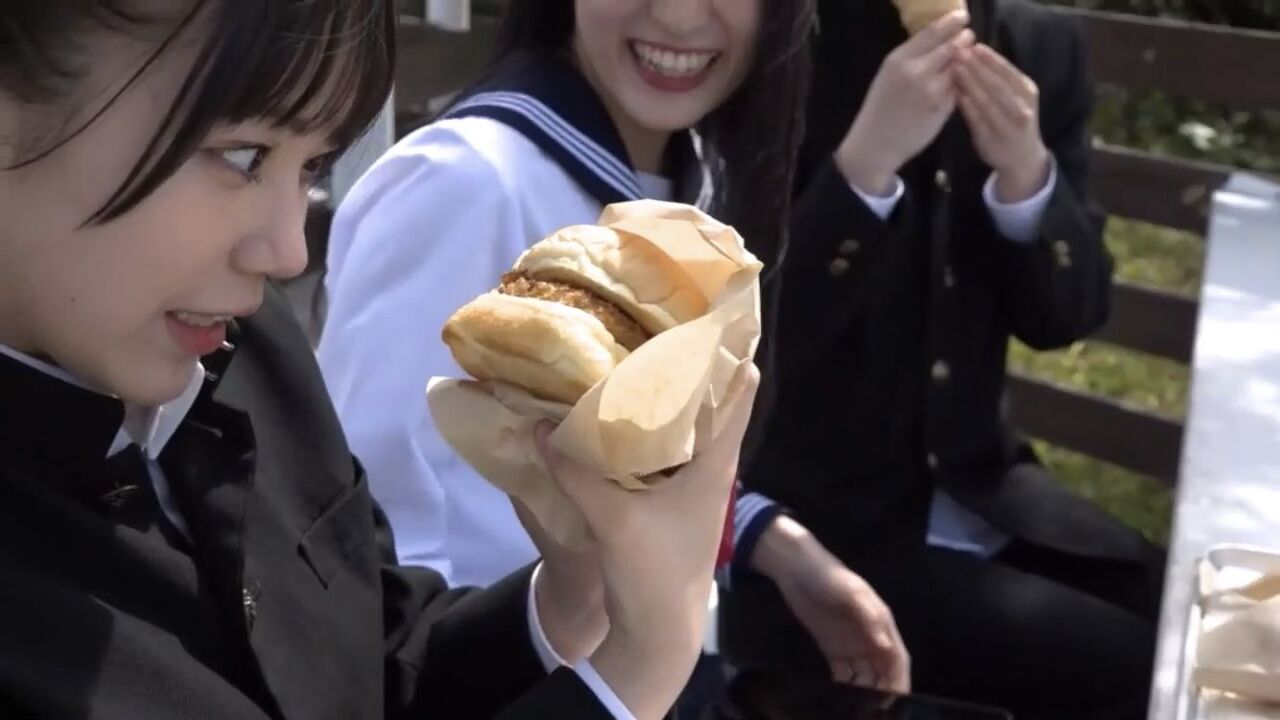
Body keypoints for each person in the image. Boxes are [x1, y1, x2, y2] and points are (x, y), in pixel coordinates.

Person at [0, 2, 763, 718]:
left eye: (311, 167)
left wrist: (573, 591)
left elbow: (378, 660)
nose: (288, 251)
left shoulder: (245, 349)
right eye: (241, 155)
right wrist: (638, 667)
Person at [316, 0, 909, 706]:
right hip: (505, 682)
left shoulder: (696, 172)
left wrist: (775, 544)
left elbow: (633, 449)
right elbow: (353, 523)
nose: (679, 17)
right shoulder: (463, 178)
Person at [719, 1, 1166, 718]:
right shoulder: (785, 38)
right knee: (1137, 674)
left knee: (1193, 624)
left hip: (987, 491)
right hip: (819, 530)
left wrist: (1026, 174)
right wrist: (864, 167)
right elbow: (743, 342)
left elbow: (1068, 317)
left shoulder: (1041, 44)